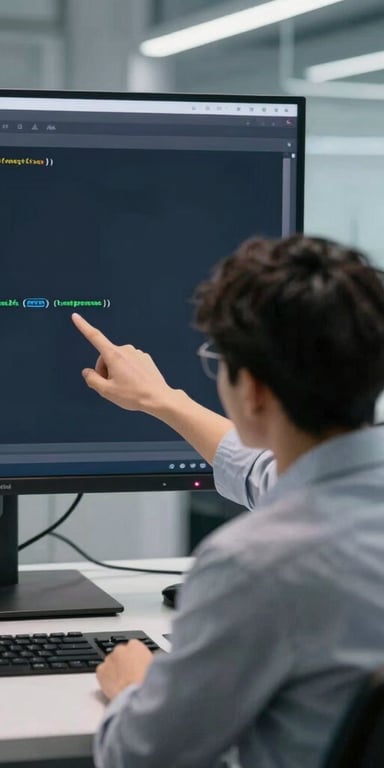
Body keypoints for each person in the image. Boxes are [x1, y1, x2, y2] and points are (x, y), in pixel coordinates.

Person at [72, 235, 384, 768]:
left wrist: (132, 688)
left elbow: (141, 758)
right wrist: (162, 400)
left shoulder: (257, 563)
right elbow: (275, 475)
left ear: (254, 391)